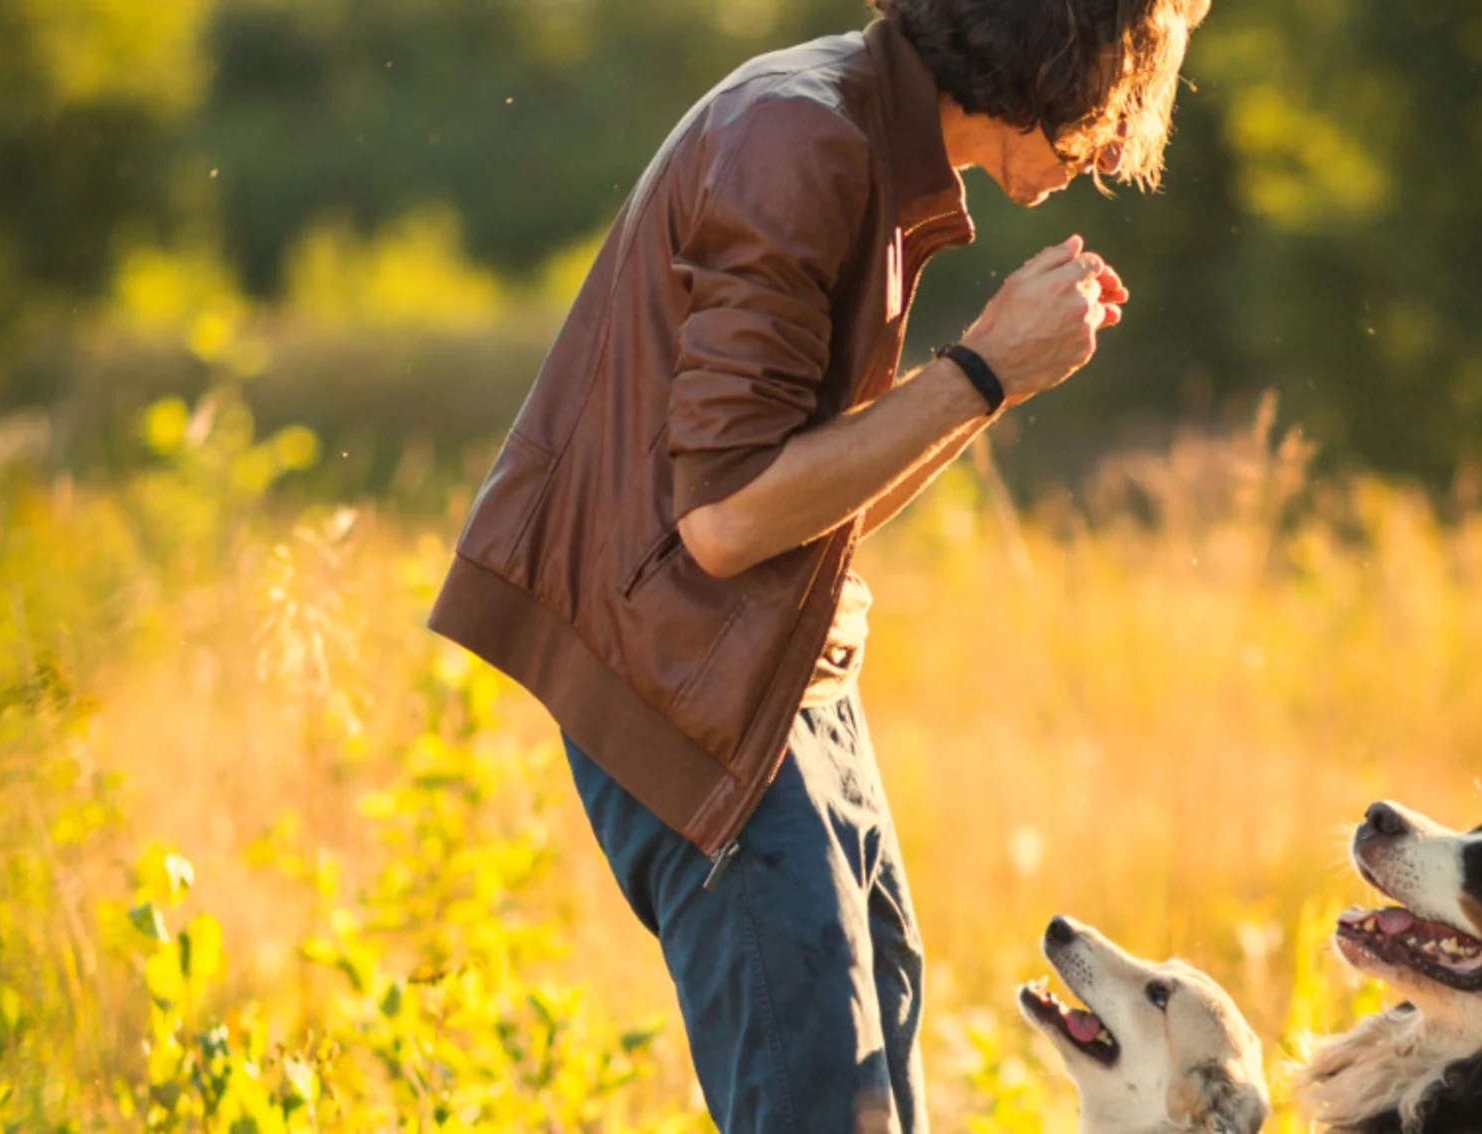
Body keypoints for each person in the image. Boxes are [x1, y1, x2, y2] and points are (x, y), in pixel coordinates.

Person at [426, 0, 1210, 1128]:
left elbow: (813, 500)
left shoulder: (862, 138)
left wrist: (1001, 379)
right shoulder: (802, 143)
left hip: (786, 676)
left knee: (875, 1076)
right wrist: (983, 371)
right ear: (1061, 56)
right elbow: (729, 520)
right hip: (702, 693)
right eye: (1121, 104)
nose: (1110, 149)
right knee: (823, 1108)